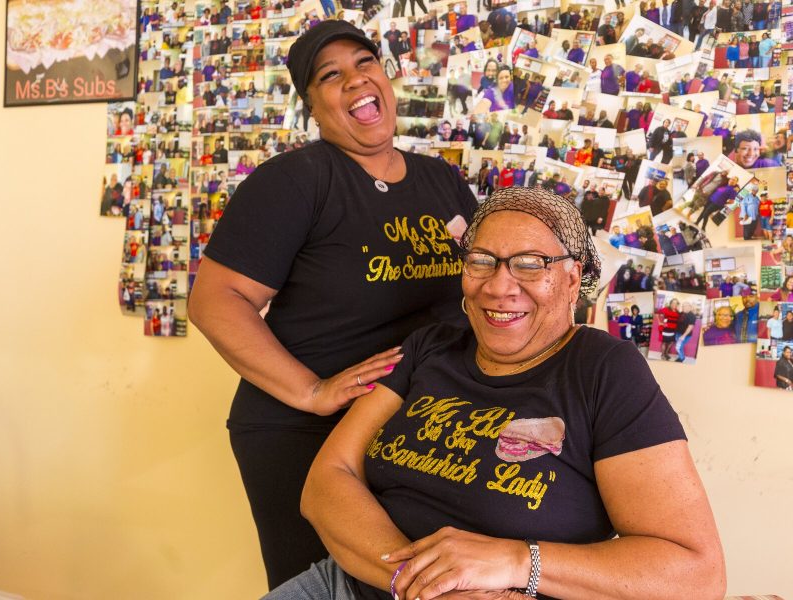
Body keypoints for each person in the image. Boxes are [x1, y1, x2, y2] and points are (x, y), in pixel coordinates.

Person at [262, 187, 725, 600]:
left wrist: (516, 561)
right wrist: (423, 582)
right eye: (481, 261)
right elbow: (326, 480)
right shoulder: (429, 347)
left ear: (570, 279)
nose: (499, 286)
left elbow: (695, 576)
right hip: (352, 583)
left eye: (530, 264)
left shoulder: (604, 370)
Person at [187, 21, 479, 589]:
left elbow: (478, 286)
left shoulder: (442, 180)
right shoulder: (296, 181)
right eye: (330, 75)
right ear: (312, 107)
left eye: (364, 62)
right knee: (327, 586)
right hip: (302, 434)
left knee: (417, 582)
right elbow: (214, 301)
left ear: (386, 78)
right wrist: (312, 392)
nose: (354, 81)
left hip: (414, 426)